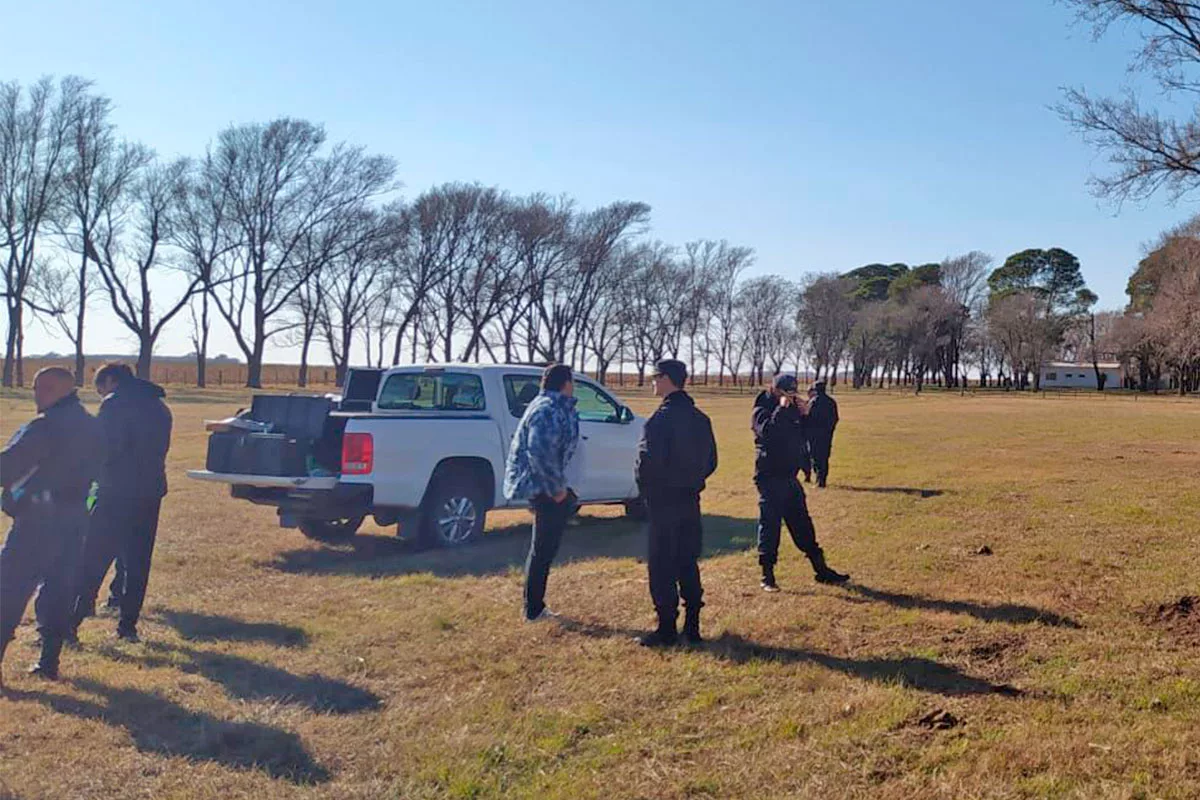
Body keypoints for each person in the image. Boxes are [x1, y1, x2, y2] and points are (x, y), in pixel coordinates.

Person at [1, 368, 102, 684]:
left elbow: (8, 468)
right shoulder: (91, 425)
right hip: (74, 520)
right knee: (59, 589)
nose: (36, 395)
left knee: (9, 590)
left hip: (36, 521)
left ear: (54, 389)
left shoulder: (44, 427)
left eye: (40, 389)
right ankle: (49, 661)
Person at [69, 363, 172, 643]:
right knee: (137, 562)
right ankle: (127, 627)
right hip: (150, 492)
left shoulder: (114, 405)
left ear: (111, 381)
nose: (100, 395)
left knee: (93, 557)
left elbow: (104, 448)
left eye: (100, 388)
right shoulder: (160, 407)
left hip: (116, 492)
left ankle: (71, 623)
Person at [634, 359, 718, 647]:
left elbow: (646, 465)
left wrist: (648, 492)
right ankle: (693, 626)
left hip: (663, 502)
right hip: (690, 499)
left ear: (667, 379)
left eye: (655, 377)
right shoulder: (700, 419)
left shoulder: (659, 421)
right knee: (687, 561)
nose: (652, 382)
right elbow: (711, 462)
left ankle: (667, 628)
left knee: (661, 565)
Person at [753, 374, 850, 592]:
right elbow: (769, 432)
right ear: (775, 390)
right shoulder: (762, 409)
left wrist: (806, 416)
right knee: (770, 525)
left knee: (802, 524)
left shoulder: (793, 409)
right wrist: (782, 408)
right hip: (769, 476)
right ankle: (767, 576)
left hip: (789, 477)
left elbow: (805, 436)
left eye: (793, 392)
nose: (790, 396)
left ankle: (821, 570)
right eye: (786, 392)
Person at [503, 363, 580, 623]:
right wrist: (557, 491)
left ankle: (535, 606)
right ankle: (533, 609)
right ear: (566, 383)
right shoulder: (547, 410)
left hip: (547, 485)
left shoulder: (552, 406)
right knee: (543, 548)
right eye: (572, 381)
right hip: (545, 487)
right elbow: (540, 453)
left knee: (546, 548)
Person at [805, 380, 839, 488]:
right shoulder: (831, 402)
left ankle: (819, 480)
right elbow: (835, 418)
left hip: (814, 434)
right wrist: (830, 429)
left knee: (815, 456)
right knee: (824, 456)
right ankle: (822, 479)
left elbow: (807, 417)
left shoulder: (813, 402)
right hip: (827, 434)